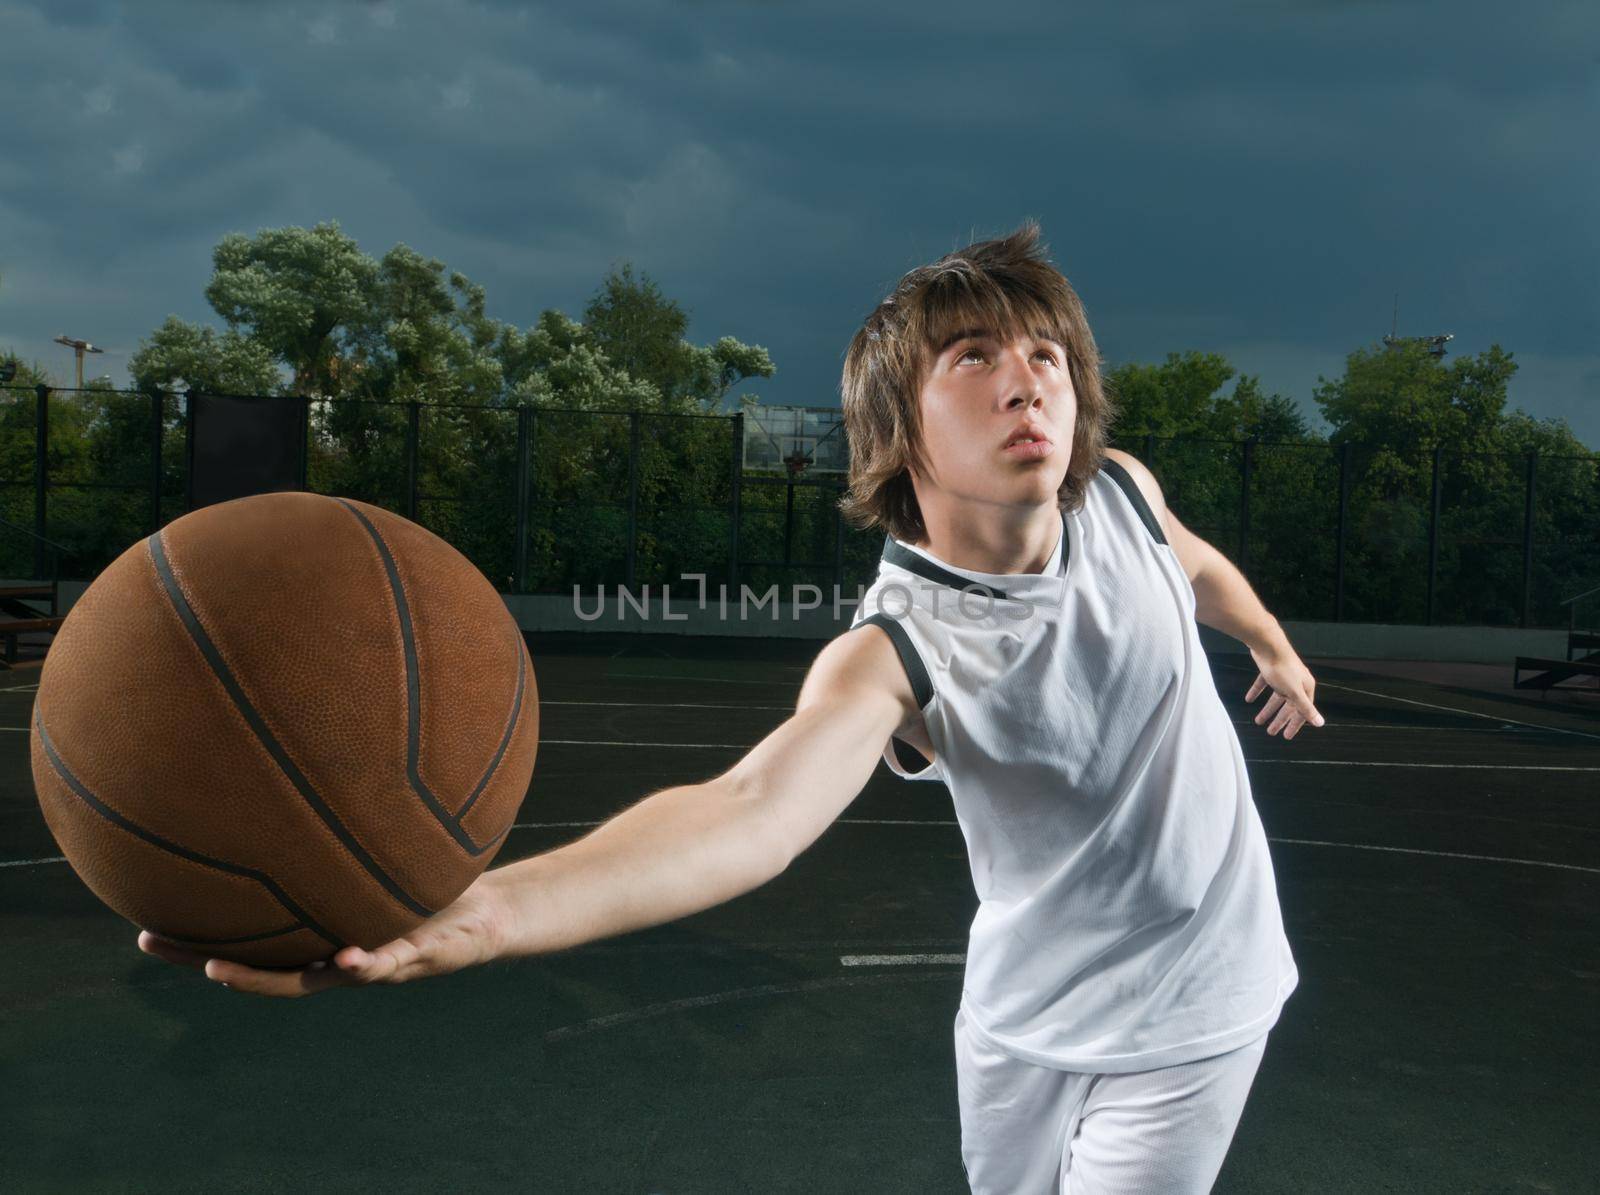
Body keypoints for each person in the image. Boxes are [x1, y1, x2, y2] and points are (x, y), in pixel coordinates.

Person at [141, 219, 1323, 1193]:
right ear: (897, 428)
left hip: (1196, 1001)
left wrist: (1271, 647)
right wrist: (488, 913)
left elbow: (1192, 563)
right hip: (1022, 1013)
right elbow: (748, 807)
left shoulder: (1118, 492)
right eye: (973, 355)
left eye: (1049, 356)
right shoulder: (899, 650)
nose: (1028, 379)